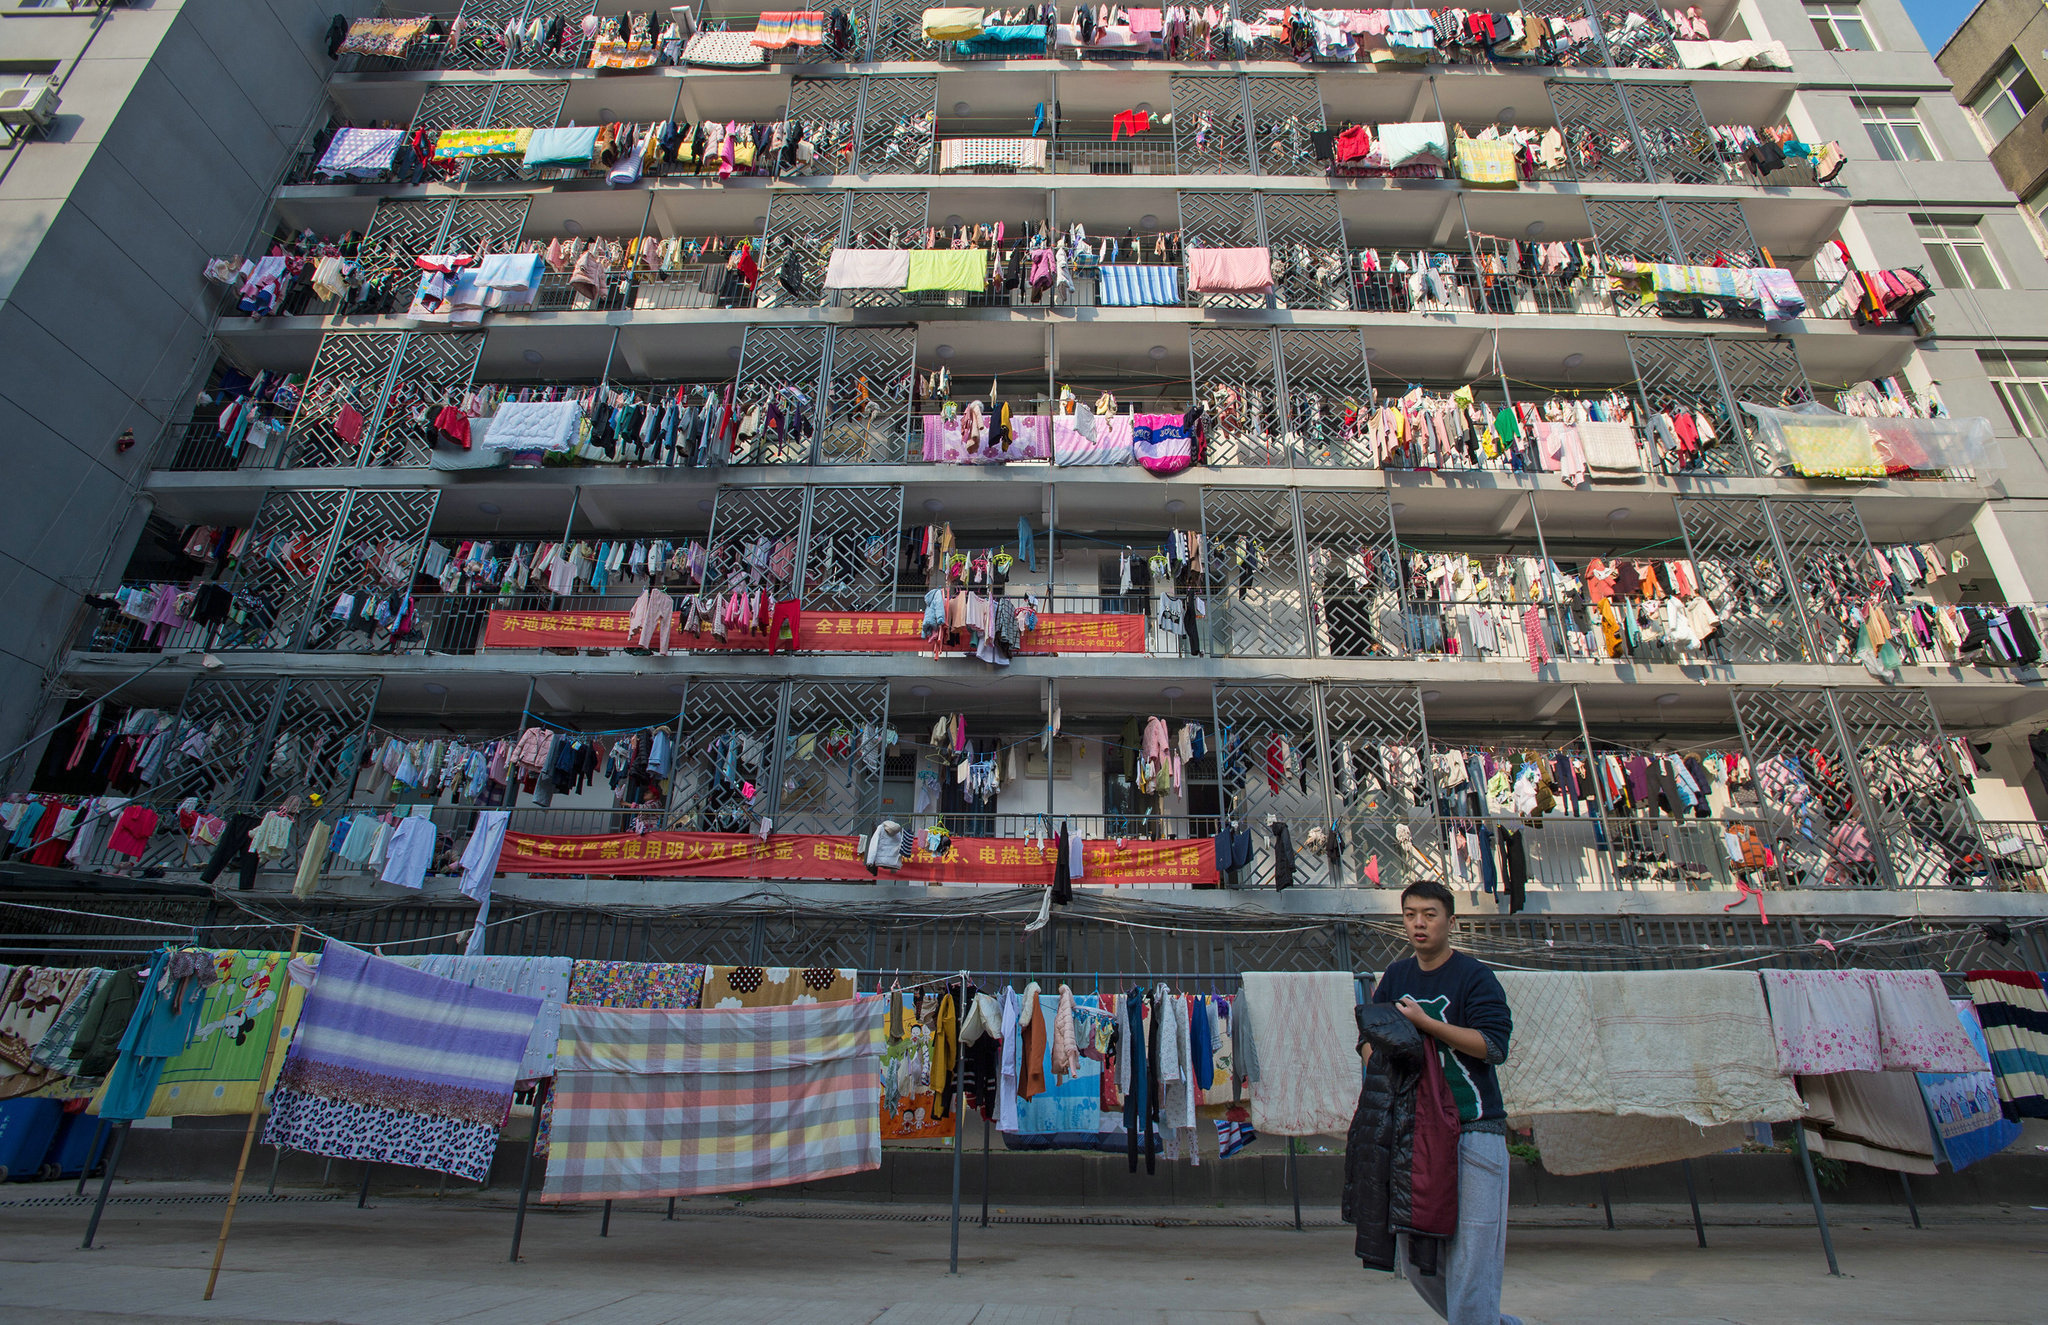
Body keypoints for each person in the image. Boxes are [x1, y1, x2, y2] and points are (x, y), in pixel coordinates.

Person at [1371, 879, 1520, 1325]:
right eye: (1410, 914)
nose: (1419, 923)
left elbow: (1493, 1046)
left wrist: (1425, 1024)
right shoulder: (1396, 976)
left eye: (1429, 914)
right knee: (1416, 1258)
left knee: (1473, 1257)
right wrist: (1379, 1049)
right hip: (1415, 1136)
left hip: (1475, 1132)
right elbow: (1369, 1036)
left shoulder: (1474, 976)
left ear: (1450, 921)